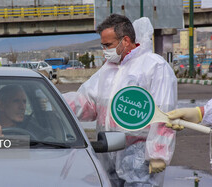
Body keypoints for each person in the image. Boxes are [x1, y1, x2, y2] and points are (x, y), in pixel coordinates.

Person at [63, 14, 177, 186]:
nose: (104, 50)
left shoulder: (153, 66)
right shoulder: (108, 70)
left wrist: (158, 153)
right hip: (108, 151)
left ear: (125, 40)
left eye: (108, 45)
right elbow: (89, 103)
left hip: (140, 155)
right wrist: (58, 105)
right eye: (103, 45)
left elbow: (165, 112)